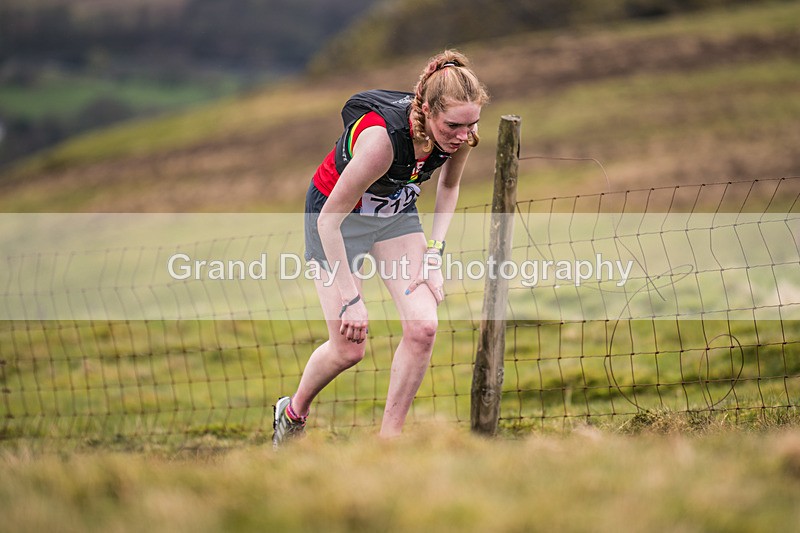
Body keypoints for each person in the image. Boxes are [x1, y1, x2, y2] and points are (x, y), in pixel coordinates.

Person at [273, 49, 489, 448]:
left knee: (424, 328)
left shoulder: (461, 135)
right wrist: (351, 298)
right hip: (336, 220)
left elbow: (449, 185)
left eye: (472, 123)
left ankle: (388, 445)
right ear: (425, 111)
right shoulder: (381, 141)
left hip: (394, 215)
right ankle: (292, 413)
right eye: (454, 125)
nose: (464, 135)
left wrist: (434, 255)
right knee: (348, 348)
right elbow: (328, 222)